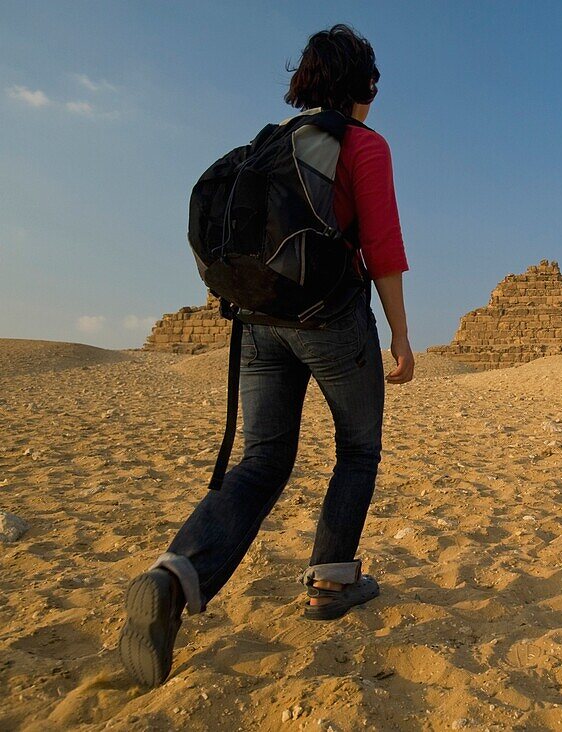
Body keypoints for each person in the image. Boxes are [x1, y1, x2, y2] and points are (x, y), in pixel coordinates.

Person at [119, 24, 413, 687]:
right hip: (330, 321)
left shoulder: (269, 144)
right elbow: (384, 249)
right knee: (358, 448)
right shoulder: (361, 144)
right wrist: (398, 334)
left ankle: (171, 579)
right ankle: (333, 581)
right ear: (364, 85)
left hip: (255, 321)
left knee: (261, 461)